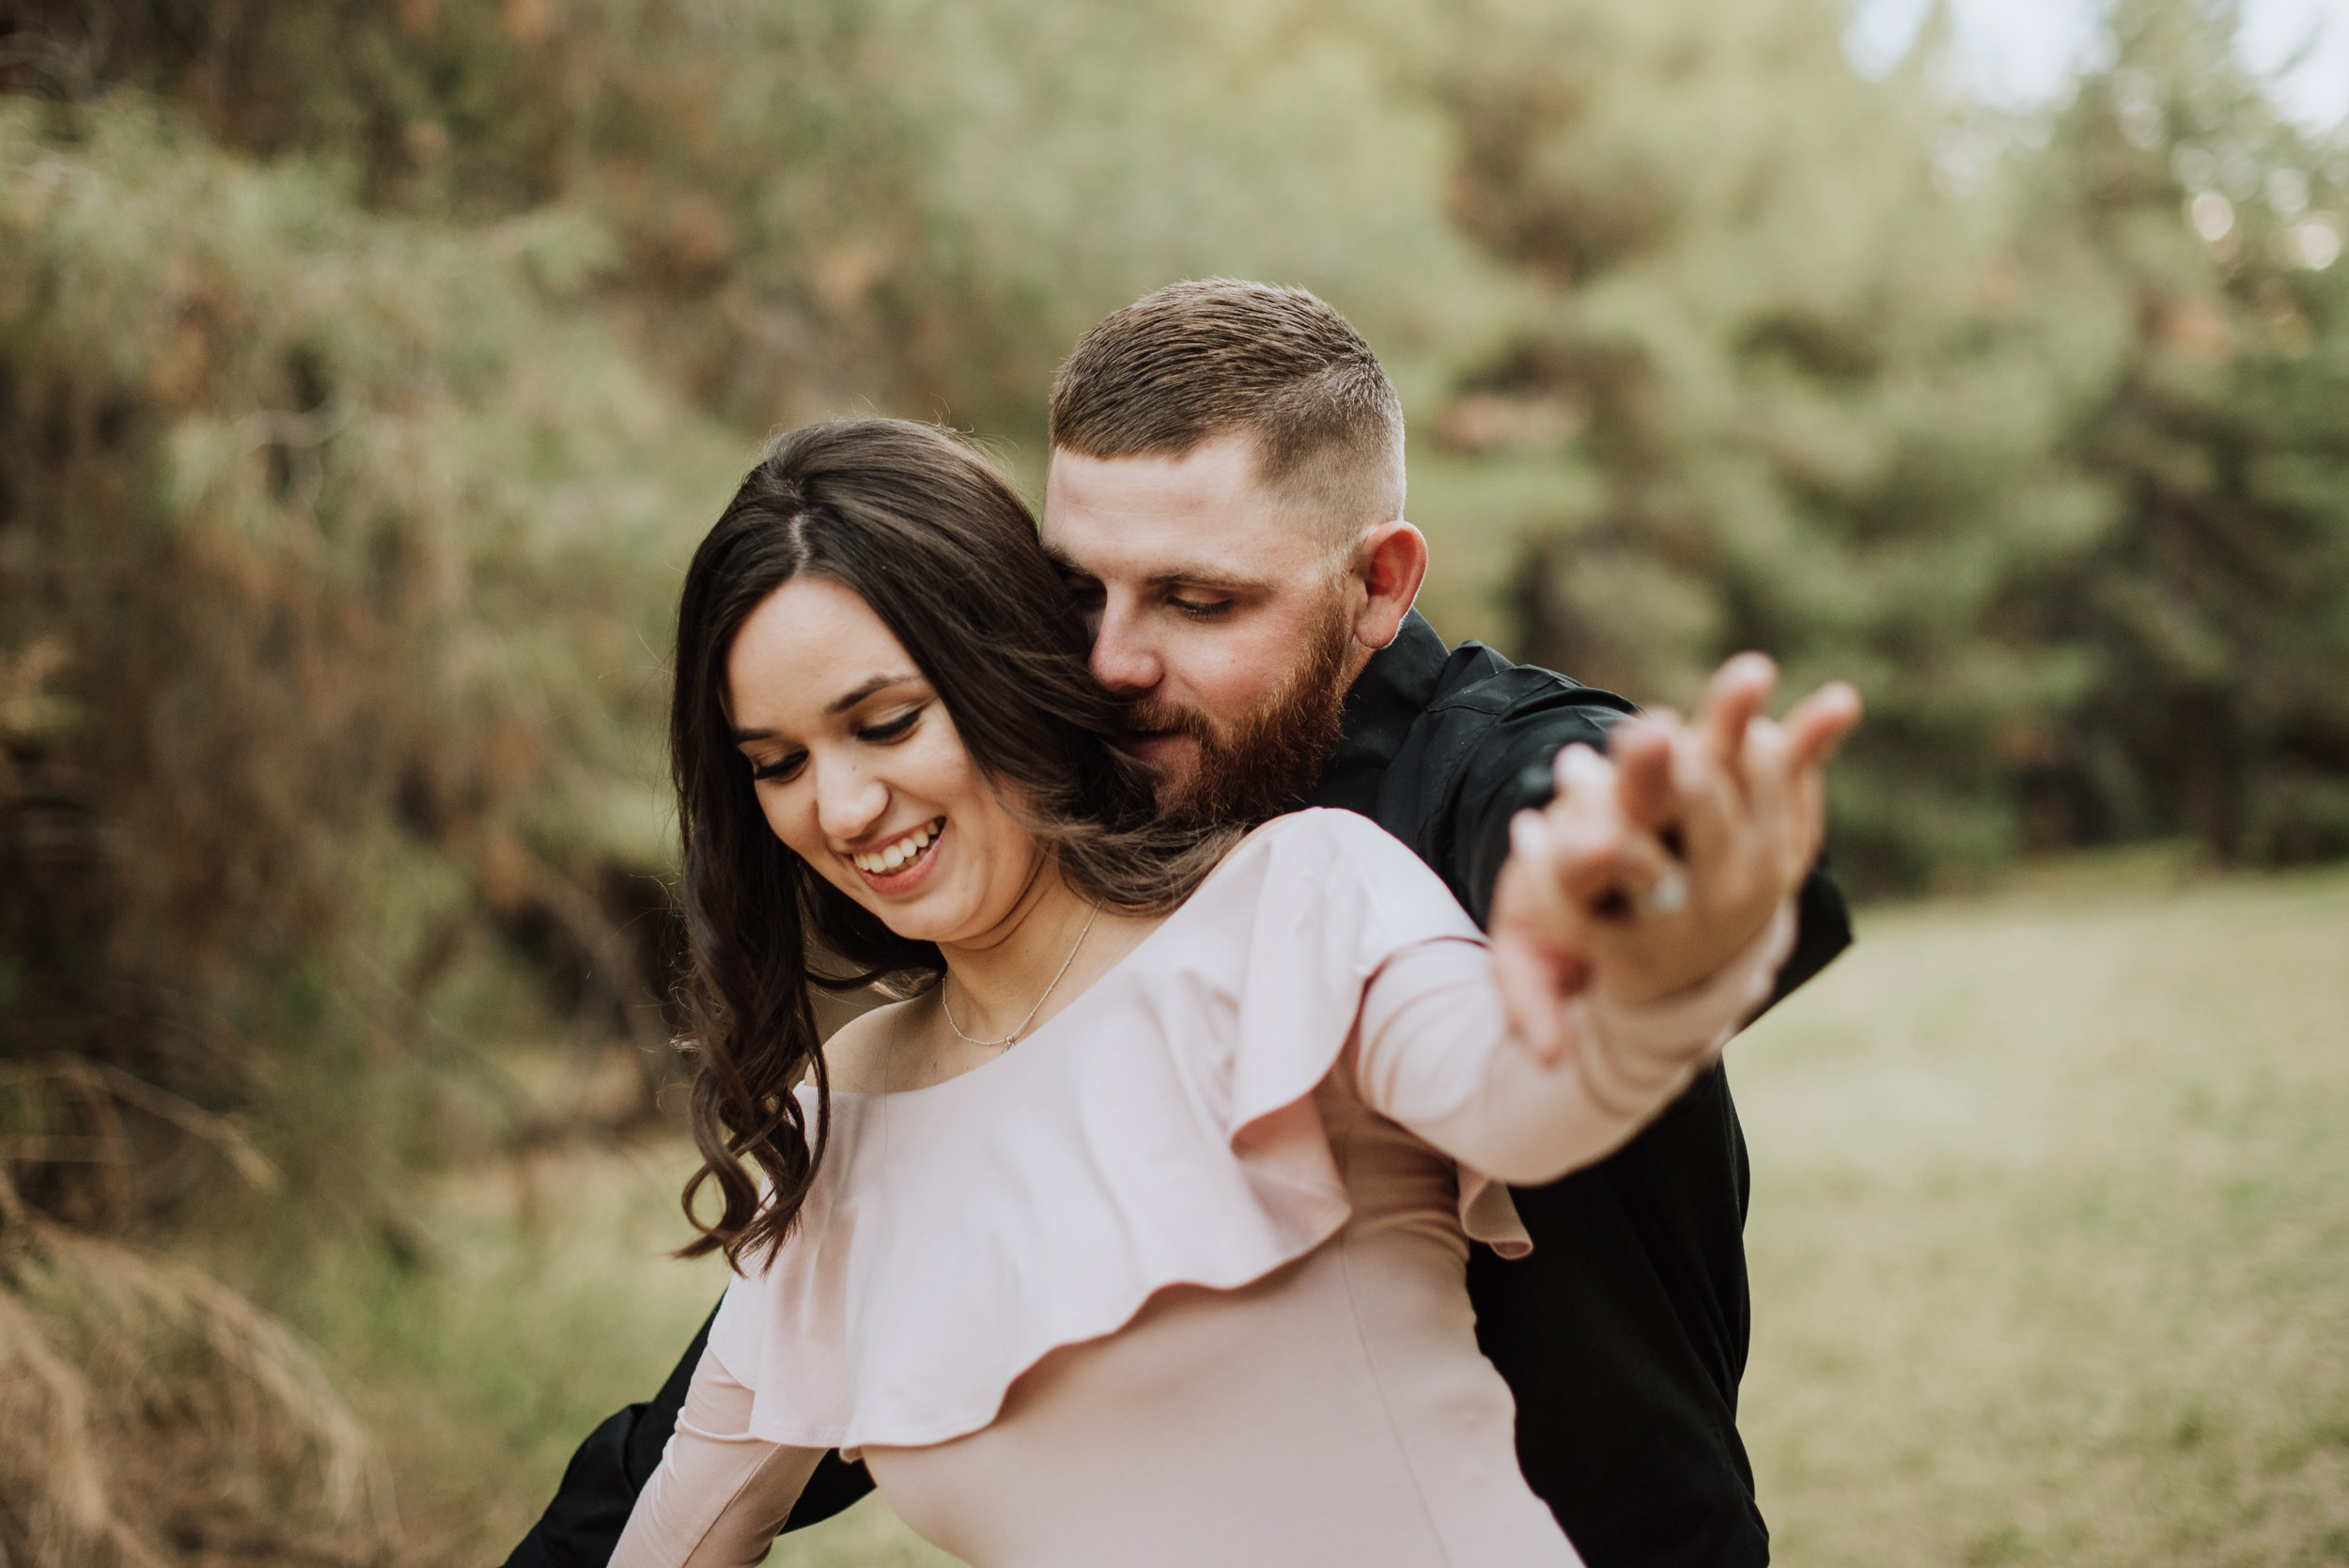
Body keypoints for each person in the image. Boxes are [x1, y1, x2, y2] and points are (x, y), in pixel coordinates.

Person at [504, 282, 1859, 1568]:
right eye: (1077, 592)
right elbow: (792, 1383)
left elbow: (1577, 987)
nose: (1107, 663)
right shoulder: (933, 1023)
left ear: (1378, 587)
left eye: (1198, 600)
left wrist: (1648, 915)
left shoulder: (1430, 808)